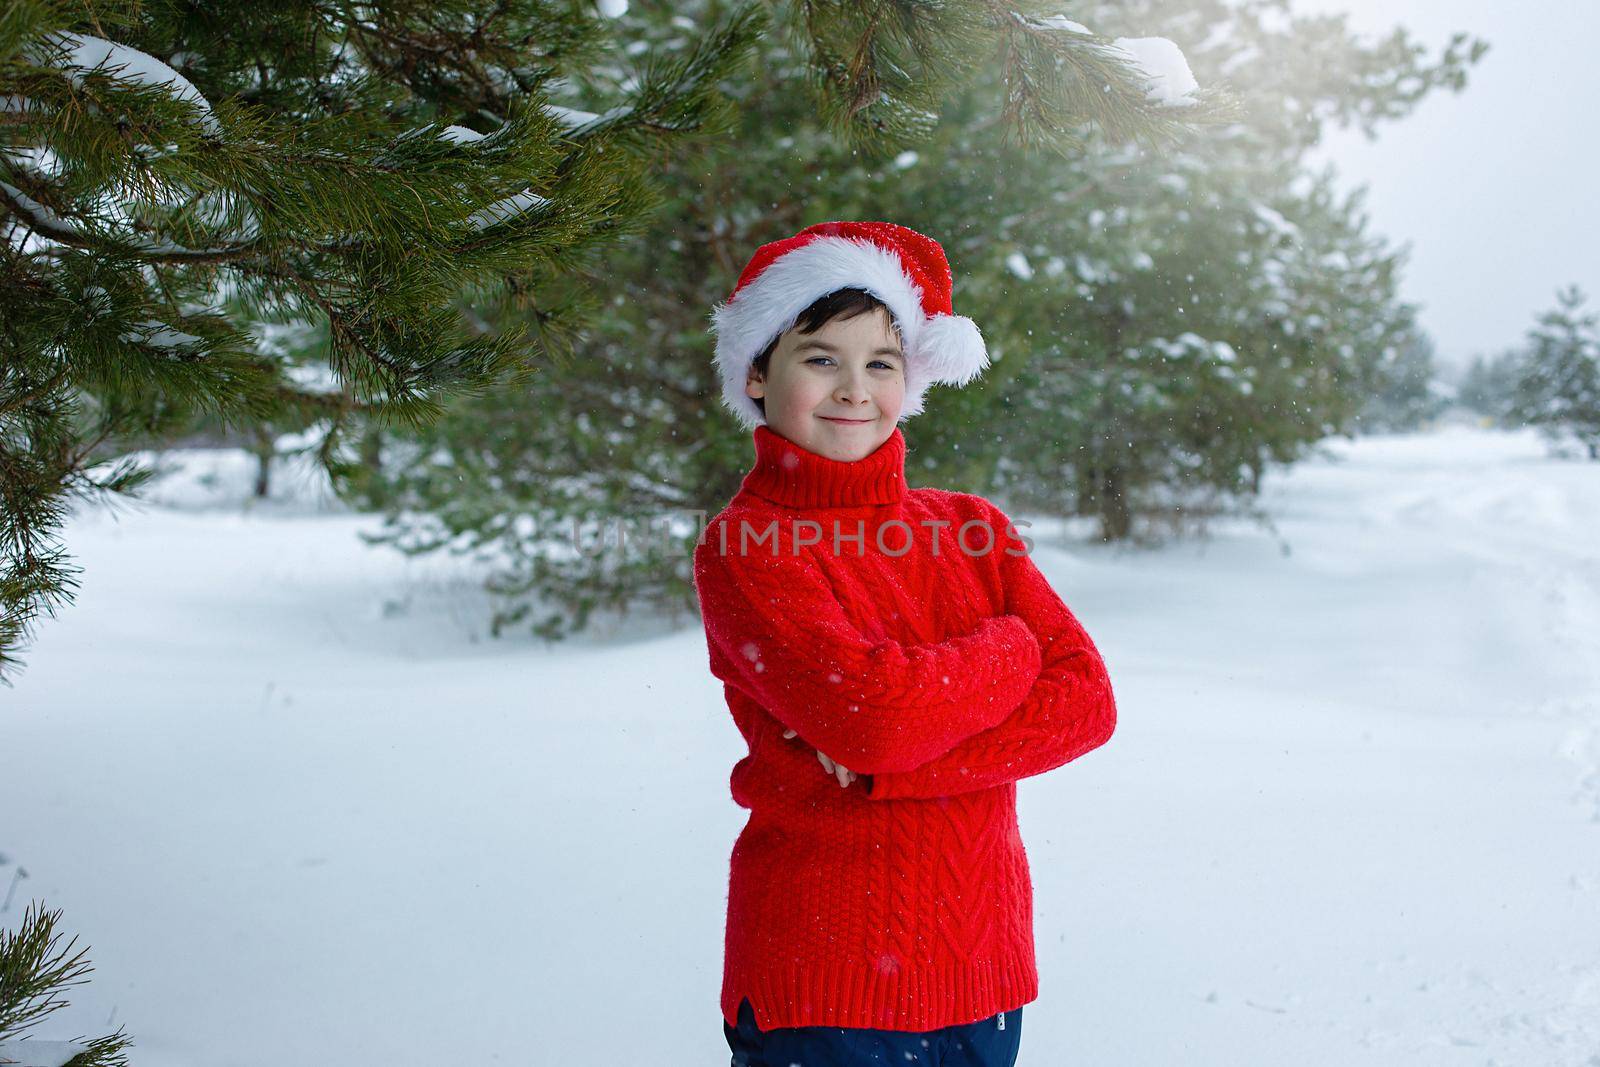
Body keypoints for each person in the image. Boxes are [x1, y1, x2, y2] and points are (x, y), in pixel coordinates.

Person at [693, 220, 1118, 1066]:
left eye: (880, 362)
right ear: (756, 372)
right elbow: (873, 719)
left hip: (983, 974)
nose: (854, 388)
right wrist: (1007, 650)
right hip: (826, 979)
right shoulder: (748, 547)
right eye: (820, 357)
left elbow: (1086, 703)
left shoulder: (970, 527)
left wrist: (894, 770)